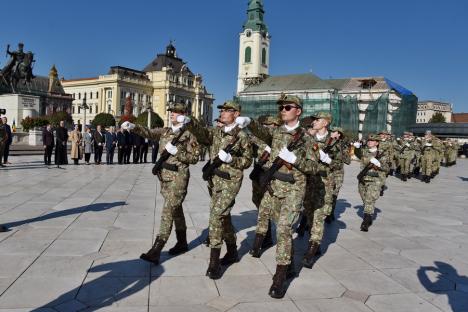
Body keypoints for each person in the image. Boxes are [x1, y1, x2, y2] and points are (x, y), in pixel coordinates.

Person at [239, 94, 318, 298]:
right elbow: (262, 132)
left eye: (288, 107)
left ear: (298, 111)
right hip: (274, 188)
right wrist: (249, 122)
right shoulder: (276, 133)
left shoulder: (308, 138)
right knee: (277, 225)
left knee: (283, 229)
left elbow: (314, 167)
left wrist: (297, 160)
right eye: (281, 107)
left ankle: (279, 277)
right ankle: (290, 264)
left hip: (293, 189)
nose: (283, 109)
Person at [122, 103, 200, 266]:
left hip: (178, 177)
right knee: (176, 210)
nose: (172, 114)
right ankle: (182, 242)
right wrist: (134, 126)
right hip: (164, 177)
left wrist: (178, 152)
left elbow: (194, 158)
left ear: (183, 115)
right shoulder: (166, 131)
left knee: (168, 211)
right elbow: (150, 133)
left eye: (176, 112)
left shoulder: (189, 135)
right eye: (171, 111)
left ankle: (156, 249)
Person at [188, 101, 252, 280]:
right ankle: (232, 251)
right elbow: (200, 133)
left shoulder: (242, 136)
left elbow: (247, 161)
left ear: (236, 114)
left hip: (230, 181)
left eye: (227, 110)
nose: (223, 113)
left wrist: (232, 159)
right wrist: (189, 121)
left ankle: (214, 262)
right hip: (214, 179)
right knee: (224, 217)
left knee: (216, 215)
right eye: (222, 110)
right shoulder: (216, 132)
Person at [301, 112, 341, 269]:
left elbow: (339, 164)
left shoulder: (334, 142)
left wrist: (329, 160)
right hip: (308, 183)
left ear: (326, 123)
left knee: (318, 217)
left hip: (324, 185)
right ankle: (315, 244)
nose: (314, 122)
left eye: (317, 120)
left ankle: (310, 253)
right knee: (310, 215)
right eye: (314, 120)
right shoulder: (307, 139)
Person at [248, 115, 281, 256]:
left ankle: (265, 237)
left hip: (271, 175)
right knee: (256, 200)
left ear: (275, 125)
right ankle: (266, 234)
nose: (267, 127)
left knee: (267, 208)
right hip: (258, 173)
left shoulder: (279, 139)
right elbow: (250, 142)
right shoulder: (260, 138)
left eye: (269, 125)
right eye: (265, 125)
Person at [353, 134, 389, 232]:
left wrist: (379, 164)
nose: (369, 142)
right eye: (369, 140)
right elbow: (358, 155)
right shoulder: (365, 151)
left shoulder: (382, 154)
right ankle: (369, 213)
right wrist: (356, 148)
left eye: (372, 141)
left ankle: (366, 221)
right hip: (363, 179)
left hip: (375, 180)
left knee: (369, 199)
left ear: (377, 143)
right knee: (365, 199)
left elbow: (386, 168)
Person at [325, 127, 351, 223]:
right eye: (331, 131)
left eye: (334, 132)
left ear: (339, 134)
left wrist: (343, 150)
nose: (331, 133)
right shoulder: (325, 141)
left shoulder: (342, 145)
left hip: (337, 172)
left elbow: (348, 161)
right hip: (326, 171)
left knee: (334, 194)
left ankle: (330, 213)